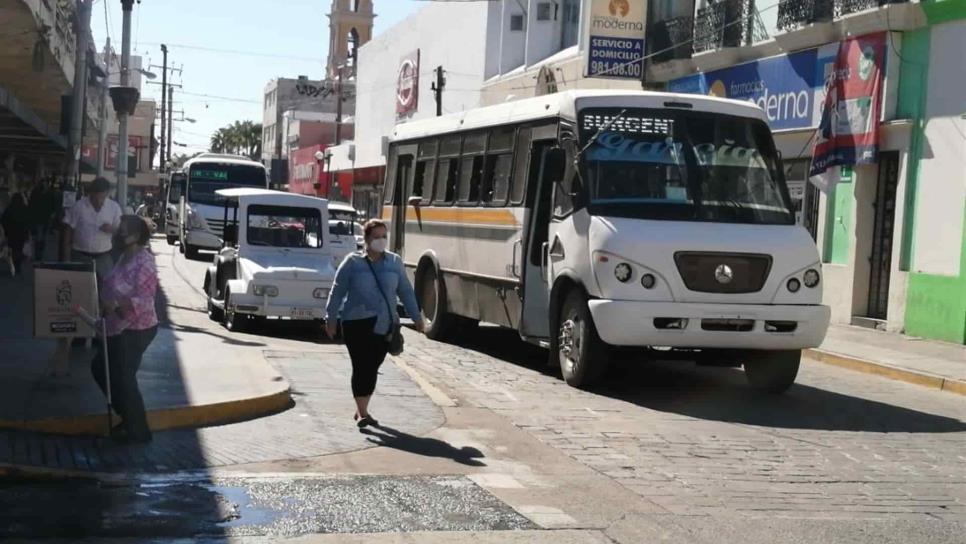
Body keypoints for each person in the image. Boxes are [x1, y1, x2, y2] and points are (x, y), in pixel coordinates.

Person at [325, 219, 425, 428]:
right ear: (367, 239)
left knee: (373, 366)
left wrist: (416, 317)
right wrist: (331, 318)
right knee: (361, 365)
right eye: (376, 237)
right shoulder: (352, 262)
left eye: (383, 236)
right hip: (356, 322)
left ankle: (361, 404)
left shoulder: (394, 262)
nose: (381, 241)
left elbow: (405, 290)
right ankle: (363, 413)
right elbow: (337, 291)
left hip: (384, 323)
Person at [90, 215, 158, 444]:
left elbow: (145, 300)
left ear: (138, 236)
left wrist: (117, 305)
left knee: (123, 377)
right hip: (116, 325)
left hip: (138, 328)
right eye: (120, 229)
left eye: (125, 231)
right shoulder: (122, 258)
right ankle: (128, 418)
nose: (120, 234)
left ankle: (139, 430)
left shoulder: (145, 262)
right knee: (101, 369)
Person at [62, 177, 122, 346]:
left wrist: (112, 230)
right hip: (80, 255)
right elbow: (68, 228)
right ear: (90, 194)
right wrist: (66, 256)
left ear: (107, 194)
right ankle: (79, 334)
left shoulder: (113, 208)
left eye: (101, 196)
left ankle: (101, 333)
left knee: (106, 296)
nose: (98, 200)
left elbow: (120, 231)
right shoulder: (79, 206)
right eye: (95, 196)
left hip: (103, 256)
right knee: (80, 294)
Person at [1, 193, 31, 276]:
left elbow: (3, 220)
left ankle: (13, 263)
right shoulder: (24, 208)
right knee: (20, 248)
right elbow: (28, 220)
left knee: (13, 249)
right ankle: (17, 265)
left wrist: (6, 230)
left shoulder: (10, 208)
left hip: (11, 233)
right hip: (21, 233)